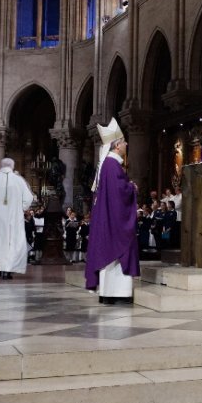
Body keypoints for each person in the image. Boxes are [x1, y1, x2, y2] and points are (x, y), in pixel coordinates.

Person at [85, 118, 139, 303]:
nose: (126, 144)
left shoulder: (107, 164)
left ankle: (108, 294)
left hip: (107, 217)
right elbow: (119, 193)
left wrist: (127, 185)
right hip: (114, 219)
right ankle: (118, 294)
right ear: (116, 145)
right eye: (123, 141)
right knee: (118, 249)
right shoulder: (112, 165)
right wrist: (131, 188)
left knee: (109, 254)